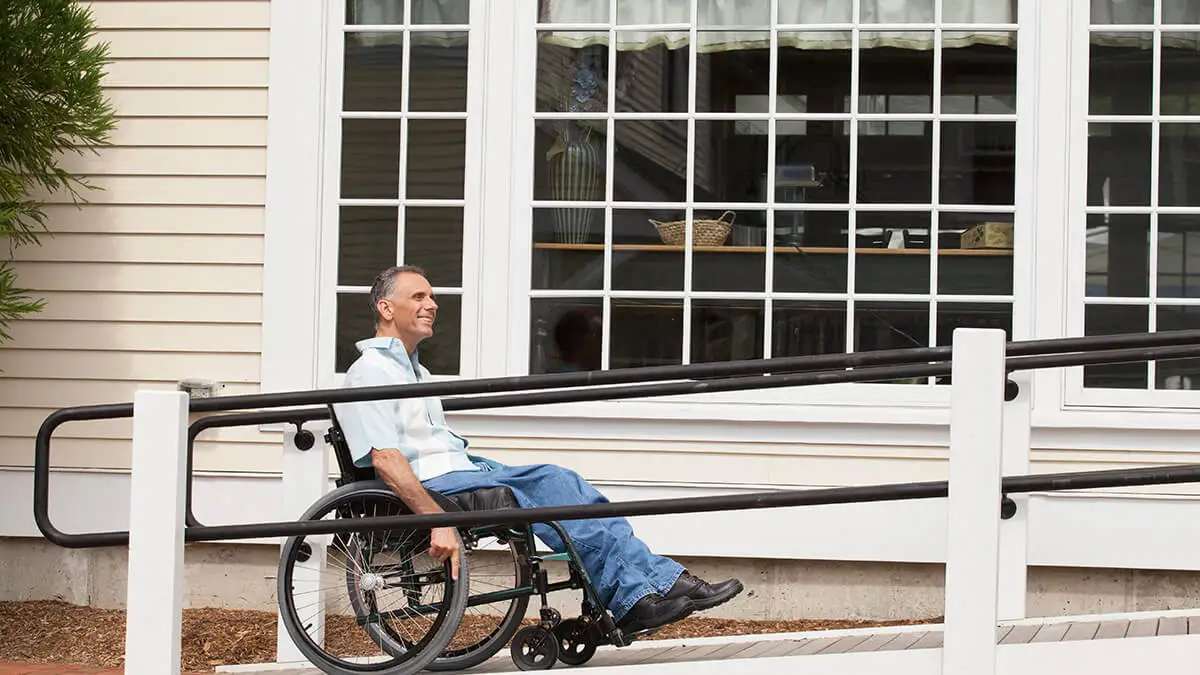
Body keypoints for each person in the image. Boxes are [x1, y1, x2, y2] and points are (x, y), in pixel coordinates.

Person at [334, 265, 744, 635]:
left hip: (460, 470)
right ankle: (636, 596)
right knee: (550, 483)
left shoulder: (413, 369)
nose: (432, 304)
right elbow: (384, 458)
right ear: (387, 309)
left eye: (432, 296)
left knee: (567, 483)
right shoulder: (370, 372)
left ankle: (660, 583)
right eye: (419, 297)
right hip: (435, 483)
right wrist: (436, 519)